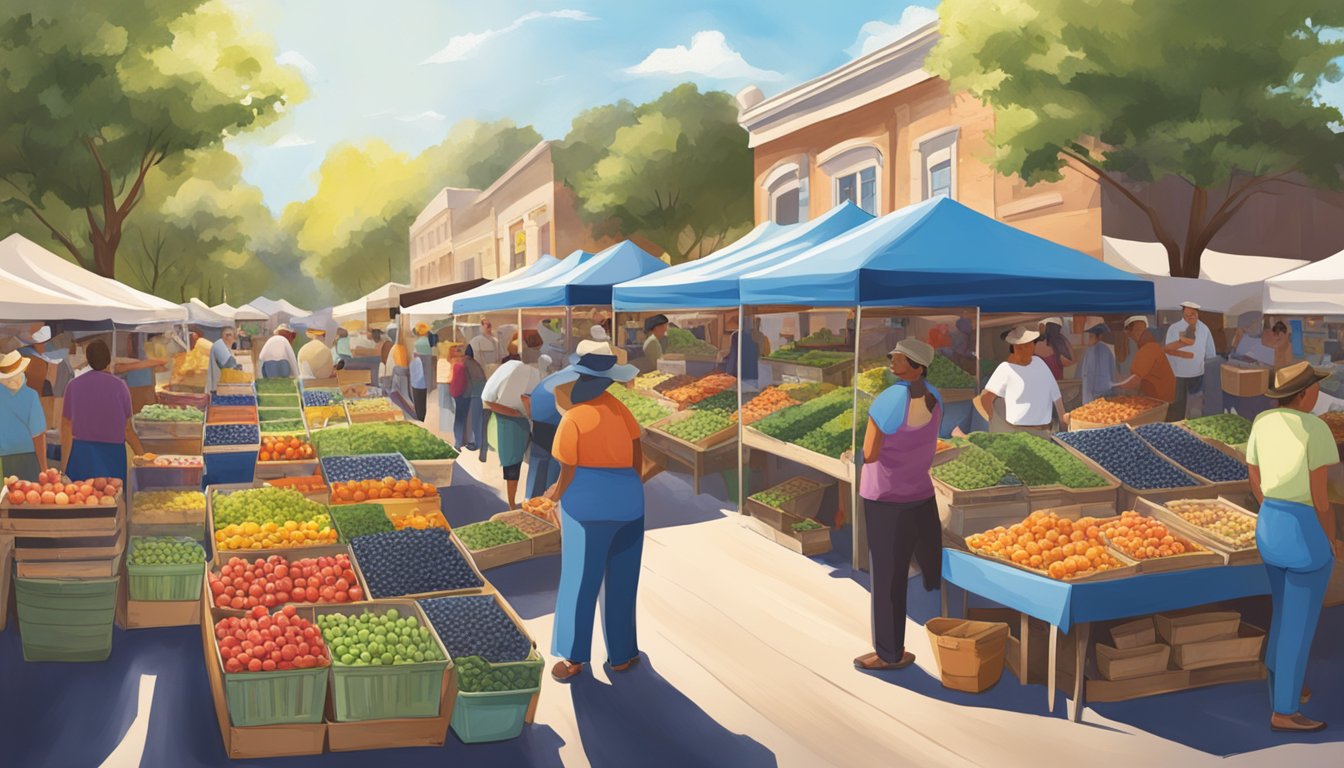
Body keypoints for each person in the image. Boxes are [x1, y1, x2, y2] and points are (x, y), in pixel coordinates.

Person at [1246, 361, 1338, 733]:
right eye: (1314, 388)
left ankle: (1287, 685)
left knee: (1283, 613)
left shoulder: (1263, 422)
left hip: (1269, 524)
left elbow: (1253, 474)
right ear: (1303, 394)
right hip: (1303, 531)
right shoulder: (1316, 429)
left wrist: (1270, 504)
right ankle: (1284, 710)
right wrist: (1331, 540)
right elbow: (1321, 500)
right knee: (1299, 626)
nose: (1317, 393)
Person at [546, 340, 645, 682]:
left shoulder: (573, 419)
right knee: (622, 581)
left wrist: (553, 496)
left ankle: (574, 659)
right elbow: (636, 455)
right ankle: (621, 655)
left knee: (579, 581)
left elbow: (567, 470)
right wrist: (630, 486)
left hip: (586, 507)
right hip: (629, 502)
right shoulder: (621, 410)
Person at [853, 340, 943, 671]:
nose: (893, 360)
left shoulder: (890, 398)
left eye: (901, 358)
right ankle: (933, 631)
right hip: (920, 492)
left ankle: (890, 654)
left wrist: (854, 455)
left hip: (886, 498)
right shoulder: (935, 396)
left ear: (917, 367)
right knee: (921, 566)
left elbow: (871, 452)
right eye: (893, 355)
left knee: (888, 578)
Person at [61, 340, 139, 484]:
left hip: (82, 454)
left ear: (89, 360)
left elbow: (66, 427)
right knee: (112, 499)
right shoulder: (120, 386)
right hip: (113, 454)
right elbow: (127, 429)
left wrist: (64, 465)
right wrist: (142, 454)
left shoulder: (73, 386)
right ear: (109, 360)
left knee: (81, 499)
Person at [975, 326, 1069, 435]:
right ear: (1013, 349)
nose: (1025, 350)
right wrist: (994, 422)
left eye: (1028, 345)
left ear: (1033, 346)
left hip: (1044, 431)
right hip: (1018, 432)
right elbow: (986, 398)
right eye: (1020, 347)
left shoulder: (1040, 363)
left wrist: (1063, 424)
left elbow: (1056, 396)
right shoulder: (1005, 368)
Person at [481, 336, 540, 509]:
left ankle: (531, 501)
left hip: (529, 420)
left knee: (534, 462)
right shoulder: (508, 370)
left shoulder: (538, 371)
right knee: (512, 464)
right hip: (510, 423)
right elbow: (487, 401)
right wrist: (514, 413)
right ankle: (512, 505)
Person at [1115, 316, 1178, 417]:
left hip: (1161, 404)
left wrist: (1114, 385)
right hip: (1161, 400)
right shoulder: (1152, 347)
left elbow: (1135, 381)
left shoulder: (1148, 349)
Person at [0, 350, 48, 481]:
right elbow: (38, 435)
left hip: (3, 458)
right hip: (28, 457)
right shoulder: (31, 396)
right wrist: (44, 469)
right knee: (28, 496)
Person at [1165, 301, 1218, 419]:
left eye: (1193, 312)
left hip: (1198, 374)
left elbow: (1210, 353)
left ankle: (1194, 429)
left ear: (1197, 313)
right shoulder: (1174, 328)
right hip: (1178, 375)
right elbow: (1168, 351)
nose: (1191, 315)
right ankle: (1177, 429)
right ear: (1183, 313)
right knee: (1177, 406)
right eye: (1188, 313)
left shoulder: (1204, 329)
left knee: (1196, 406)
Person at [1078, 320, 1120, 405]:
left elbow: (1094, 374)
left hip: (1098, 394)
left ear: (1099, 336)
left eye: (1091, 336)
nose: (1089, 339)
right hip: (1097, 394)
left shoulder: (1100, 349)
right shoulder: (1091, 350)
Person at [207, 327, 243, 393]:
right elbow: (229, 364)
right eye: (228, 335)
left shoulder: (224, 346)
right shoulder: (219, 345)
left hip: (220, 387)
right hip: (216, 390)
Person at [410, 326, 429, 422]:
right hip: (423, 378)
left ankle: (420, 418)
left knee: (418, 400)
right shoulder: (426, 342)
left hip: (418, 378)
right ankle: (422, 418)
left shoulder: (419, 343)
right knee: (422, 400)